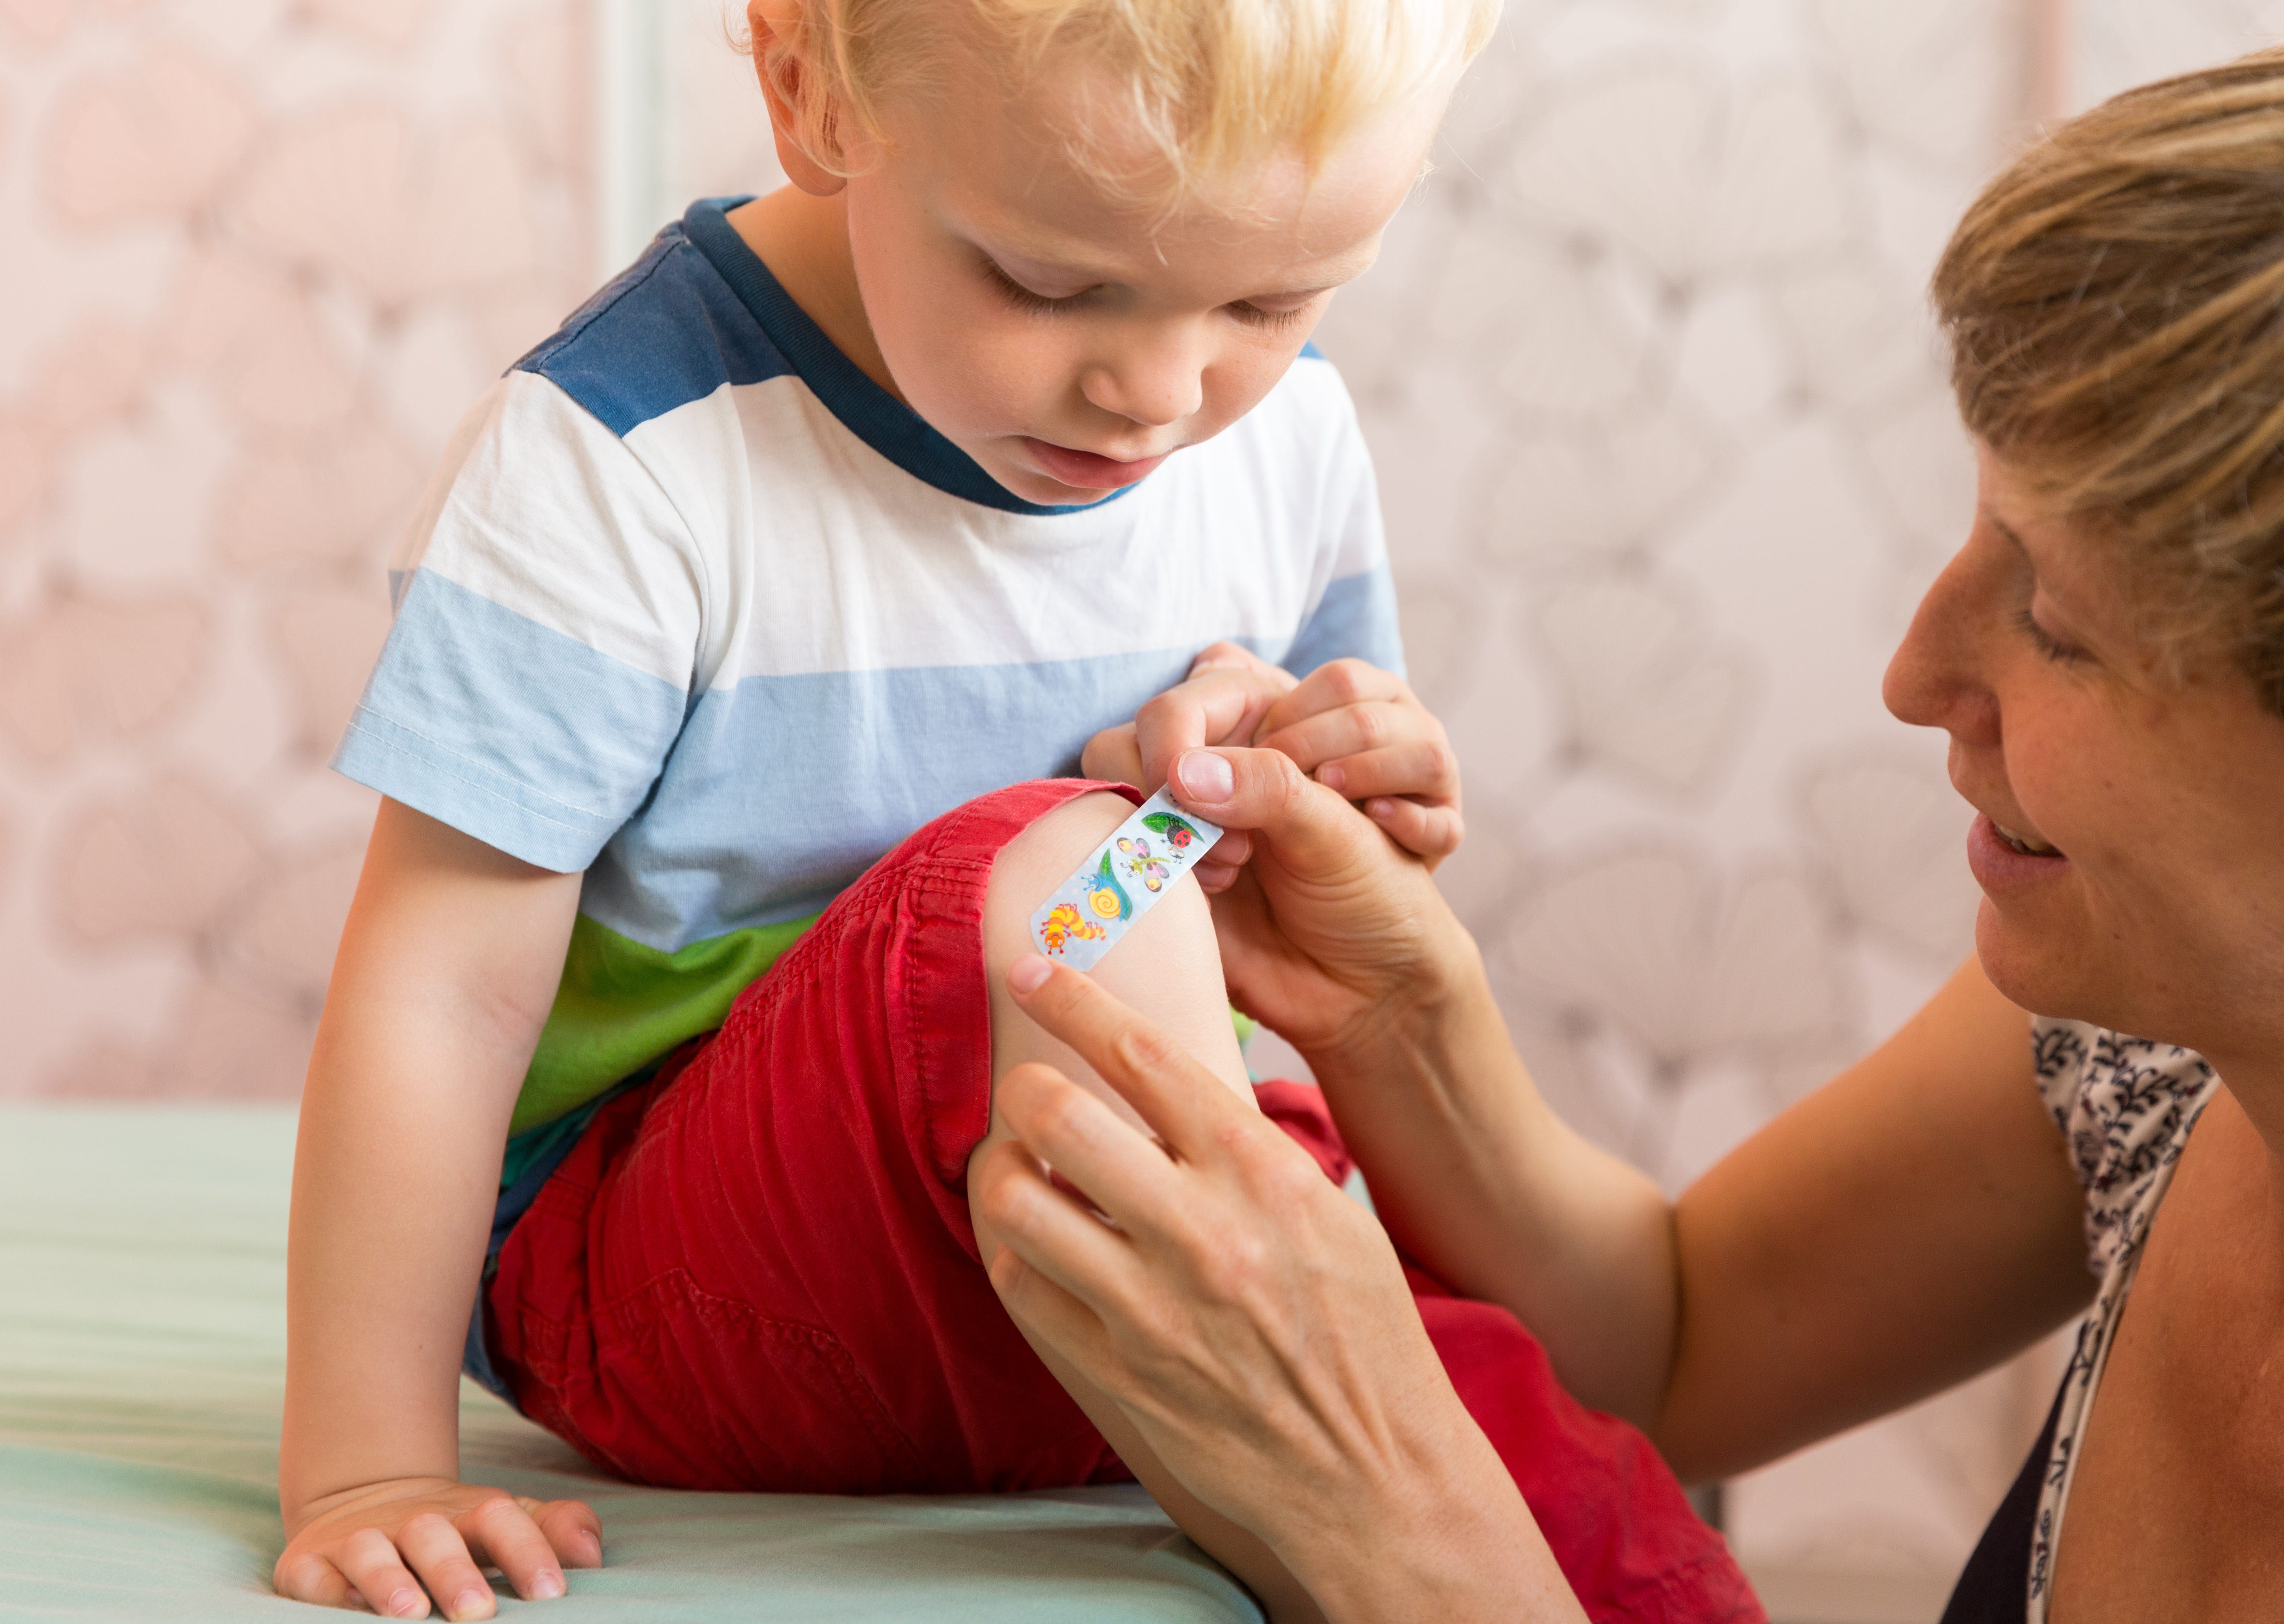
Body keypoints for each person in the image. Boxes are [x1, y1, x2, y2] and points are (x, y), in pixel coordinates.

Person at [272, 0, 1760, 1620]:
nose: (1157, 389)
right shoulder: (623, 460)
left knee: (1590, 1515)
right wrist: (368, 1467)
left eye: (1271, 299)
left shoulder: (1284, 439)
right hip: (671, 1288)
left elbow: (1302, 918)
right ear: (810, 92)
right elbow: (442, 992)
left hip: (1089, 1252)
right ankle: (1311, 1503)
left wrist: (1301, 771)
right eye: (1052, 285)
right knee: (1070, 880)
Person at [973, 22, 2284, 1623]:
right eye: (1979, 531)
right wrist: (1401, 1016)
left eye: (2054, 619)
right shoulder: (2153, 1045)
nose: (1917, 677)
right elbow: (1685, 1338)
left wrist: (1400, 1516)